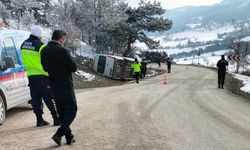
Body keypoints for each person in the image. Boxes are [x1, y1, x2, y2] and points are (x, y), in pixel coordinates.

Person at [41, 30, 77, 146]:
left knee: (62, 112)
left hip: (53, 85)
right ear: (61, 38)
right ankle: (59, 133)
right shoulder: (62, 50)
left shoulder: (44, 50)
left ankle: (69, 137)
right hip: (65, 85)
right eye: (64, 40)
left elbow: (45, 68)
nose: (64, 42)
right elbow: (73, 67)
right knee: (72, 109)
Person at [21, 26, 60, 127]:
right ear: (40, 36)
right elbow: (47, 60)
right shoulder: (41, 46)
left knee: (36, 98)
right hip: (42, 75)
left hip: (30, 75)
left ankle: (39, 120)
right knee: (49, 98)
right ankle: (56, 118)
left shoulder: (23, 45)